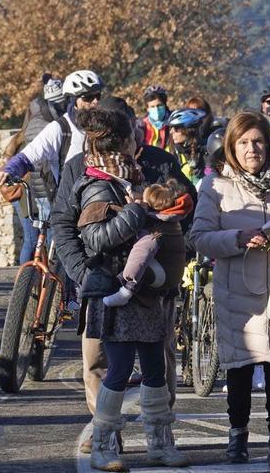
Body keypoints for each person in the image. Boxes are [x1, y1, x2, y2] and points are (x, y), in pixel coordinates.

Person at [51, 95, 196, 455]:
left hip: (152, 286)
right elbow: (67, 225)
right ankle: (106, 440)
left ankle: (160, 438)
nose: (132, 141)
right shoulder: (81, 171)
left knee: (157, 364)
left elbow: (184, 208)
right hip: (102, 282)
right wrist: (82, 273)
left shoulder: (159, 163)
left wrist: (168, 255)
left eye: (134, 132)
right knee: (102, 363)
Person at [189, 111, 270, 467]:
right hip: (237, 294)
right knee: (239, 369)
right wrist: (237, 238)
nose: (252, 149)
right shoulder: (216, 187)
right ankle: (237, 436)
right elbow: (199, 238)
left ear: (269, 143)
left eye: (258, 141)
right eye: (243, 142)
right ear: (231, 147)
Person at [0, 70, 105, 197]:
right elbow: (28, 156)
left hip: (103, 199)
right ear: (73, 100)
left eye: (98, 96)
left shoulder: (108, 126)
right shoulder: (60, 128)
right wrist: (9, 170)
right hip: (70, 204)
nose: (95, 102)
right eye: (88, 97)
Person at [0, 74, 66, 264]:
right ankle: (36, 282)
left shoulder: (23, 135)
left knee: (33, 238)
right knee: (46, 237)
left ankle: (27, 282)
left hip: (26, 193)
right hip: (33, 192)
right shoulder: (47, 131)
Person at [101, 179, 193, 307]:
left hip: (163, 275)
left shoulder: (155, 230)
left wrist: (125, 278)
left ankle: (125, 292)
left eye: (143, 202)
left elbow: (141, 254)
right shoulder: (171, 221)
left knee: (140, 256)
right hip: (173, 274)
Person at [166, 108, 209, 185]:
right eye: (171, 127)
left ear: (188, 130)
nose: (171, 131)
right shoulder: (170, 151)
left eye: (176, 128)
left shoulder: (207, 150)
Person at [141, 85, 171, 149]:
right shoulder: (141, 126)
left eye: (159, 105)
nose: (156, 109)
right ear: (147, 108)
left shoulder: (174, 123)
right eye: (152, 107)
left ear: (165, 105)